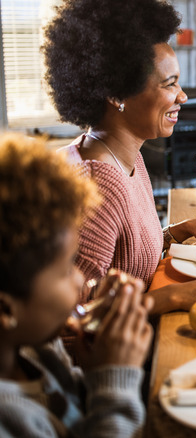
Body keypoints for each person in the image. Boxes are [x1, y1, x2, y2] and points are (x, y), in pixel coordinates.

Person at [43, 0, 196, 313]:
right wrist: (179, 296)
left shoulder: (120, 155)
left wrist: (179, 231)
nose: (183, 96)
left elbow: (122, 258)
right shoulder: (99, 187)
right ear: (116, 95)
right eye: (170, 84)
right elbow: (65, 315)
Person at [0, 133, 153, 437]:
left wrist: (93, 366)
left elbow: (80, 418)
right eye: (67, 268)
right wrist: (114, 380)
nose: (82, 277)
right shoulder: (11, 419)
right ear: (5, 309)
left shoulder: (38, 350)